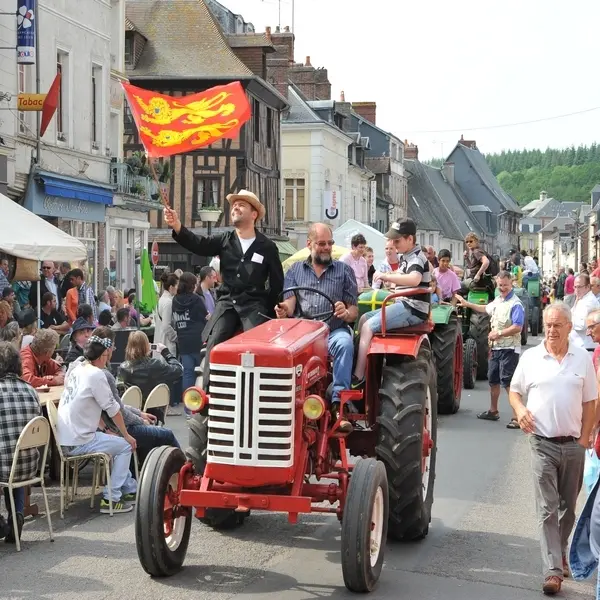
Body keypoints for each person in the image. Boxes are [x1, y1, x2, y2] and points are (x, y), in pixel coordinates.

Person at [509, 302, 597, 595]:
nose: (551, 330)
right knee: (547, 508)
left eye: (557, 325)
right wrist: (520, 409)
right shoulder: (532, 357)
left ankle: (560, 550)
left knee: (567, 508)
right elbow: (515, 391)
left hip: (573, 444)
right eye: (548, 325)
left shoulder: (581, 359)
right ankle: (552, 571)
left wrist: (584, 439)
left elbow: (590, 401)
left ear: (569, 327)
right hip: (541, 443)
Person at [163, 189, 284, 393]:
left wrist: (274, 310)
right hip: (227, 303)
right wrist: (177, 225)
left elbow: (277, 284)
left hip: (254, 305)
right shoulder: (225, 240)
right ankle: (208, 396)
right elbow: (199, 244)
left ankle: (260, 393)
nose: (235, 208)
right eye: (234, 205)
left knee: (257, 346)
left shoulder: (267, 246)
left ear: (254, 214)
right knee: (214, 343)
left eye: (241, 205)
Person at [275, 223, 358, 432]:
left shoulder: (344, 270)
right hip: (303, 333)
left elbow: (353, 310)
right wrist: (283, 309)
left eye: (330, 243)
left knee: (345, 344)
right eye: (321, 243)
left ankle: (339, 405)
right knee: (280, 353)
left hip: (333, 331)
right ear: (309, 244)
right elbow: (290, 303)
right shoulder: (295, 270)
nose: (327, 248)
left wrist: (345, 312)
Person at [57, 335, 138, 514]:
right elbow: (113, 409)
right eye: (106, 355)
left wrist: (106, 430)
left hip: (66, 438)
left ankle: (130, 488)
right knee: (126, 446)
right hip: (80, 439)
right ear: (101, 357)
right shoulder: (96, 374)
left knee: (116, 443)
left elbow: (89, 406)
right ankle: (112, 498)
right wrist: (126, 435)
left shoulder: (77, 369)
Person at [354, 218, 431, 388]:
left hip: (412, 308)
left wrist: (386, 276)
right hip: (403, 304)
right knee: (363, 319)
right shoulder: (406, 257)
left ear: (409, 239)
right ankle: (358, 360)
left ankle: (358, 377)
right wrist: (391, 280)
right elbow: (402, 277)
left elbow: (414, 278)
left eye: (397, 241)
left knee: (367, 327)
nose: (394, 245)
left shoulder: (417, 257)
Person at [456, 271, 524, 428]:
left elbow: (517, 327)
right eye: (500, 285)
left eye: (505, 285)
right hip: (496, 348)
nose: (502, 288)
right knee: (493, 380)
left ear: (511, 284)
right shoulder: (498, 300)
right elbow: (485, 308)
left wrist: (498, 333)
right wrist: (468, 304)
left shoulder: (516, 304)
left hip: (509, 348)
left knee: (508, 382)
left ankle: (517, 416)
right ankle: (493, 411)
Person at [0, 342, 42, 543]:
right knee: (13, 457)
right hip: (29, 466)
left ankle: (0, 522)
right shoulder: (31, 390)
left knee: (6, 459)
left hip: (4, 466)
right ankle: (17, 513)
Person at [118, 331, 183, 423]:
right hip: (152, 413)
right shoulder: (155, 365)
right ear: (146, 346)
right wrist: (166, 352)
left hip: (129, 413)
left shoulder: (123, 367)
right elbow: (178, 370)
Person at [171, 272, 206, 413]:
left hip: (183, 340)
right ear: (192, 285)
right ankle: (198, 405)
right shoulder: (196, 299)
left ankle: (188, 406)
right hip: (198, 339)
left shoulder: (175, 300)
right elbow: (204, 317)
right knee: (201, 373)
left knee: (188, 373)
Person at [570, 274, 600, 349]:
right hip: (580, 344)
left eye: (579, 287)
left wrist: (567, 321)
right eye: (575, 287)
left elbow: (582, 324)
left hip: (586, 346)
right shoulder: (582, 298)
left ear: (588, 287)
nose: (577, 290)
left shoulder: (589, 302)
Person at [154, 272, 178, 355]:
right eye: (177, 285)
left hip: (161, 340)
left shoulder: (161, 300)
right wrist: (177, 337)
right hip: (167, 344)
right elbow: (166, 326)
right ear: (171, 287)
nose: (178, 288)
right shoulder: (168, 302)